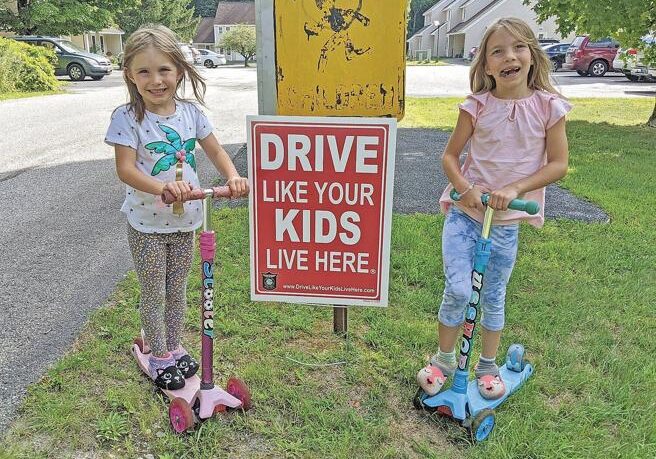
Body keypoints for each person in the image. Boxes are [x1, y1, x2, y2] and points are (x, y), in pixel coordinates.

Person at [417, 17, 570, 399]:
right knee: (457, 289)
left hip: (506, 221)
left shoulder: (549, 107)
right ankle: (443, 360)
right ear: (486, 65)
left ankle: (487, 365)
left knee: (493, 294)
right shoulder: (477, 106)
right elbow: (451, 157)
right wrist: (465, 189)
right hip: (465, 215)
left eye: (518, 47)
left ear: (532, 56)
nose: (509, 56)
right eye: (497, 51)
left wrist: (516, 187)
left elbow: (558, 164)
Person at [105, 25, 249, 390]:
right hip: (147, 225)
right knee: (155, 290)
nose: (155, 80)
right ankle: (157, 352)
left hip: (187, 222)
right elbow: (125, 169)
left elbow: (215, 150)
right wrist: (163, 187)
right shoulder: (127, 118)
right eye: (144, 71)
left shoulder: (191, 113)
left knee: (179, 288)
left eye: (164, 70)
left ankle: (173, 343)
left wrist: (233, 175)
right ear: (130, 75)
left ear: (179, 71)